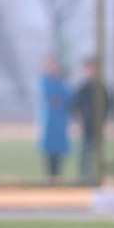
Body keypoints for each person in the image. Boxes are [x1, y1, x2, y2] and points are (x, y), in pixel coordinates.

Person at [73, 56, 112, 185]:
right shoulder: (82, 88)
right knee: (85, 155)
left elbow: (108, 106)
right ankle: (83, 179)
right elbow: (75, 107)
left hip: (98, 127)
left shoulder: (102, 88)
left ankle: (97, 179)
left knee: (98, 156)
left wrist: (104, 121)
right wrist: (80, 121)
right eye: (90, 68)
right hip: (86, 127)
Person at [36, 55, 74, 184]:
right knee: (48, 153)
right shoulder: (44, 81)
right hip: (49, 121)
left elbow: (68, 98)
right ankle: (49, 178)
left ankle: (57, 178)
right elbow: (50, 97)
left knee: (59, 153)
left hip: (60, 121)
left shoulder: (62, 82)